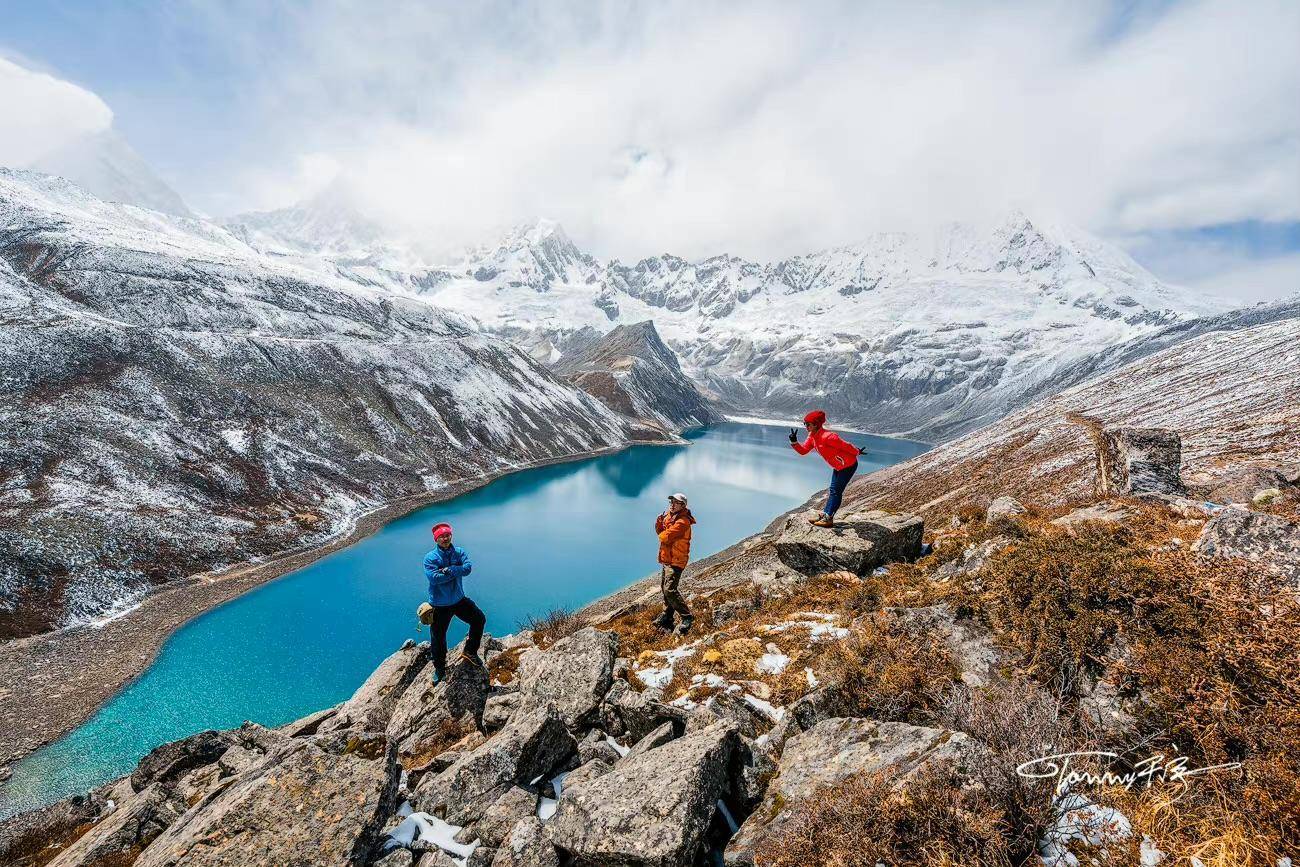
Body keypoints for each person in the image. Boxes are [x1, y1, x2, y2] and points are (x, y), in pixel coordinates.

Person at [423, 522, 486, 684]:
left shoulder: (459, 552)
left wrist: (450, 570)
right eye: (441, 536)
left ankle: (470, 651)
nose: (445, 538)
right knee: (438, 638)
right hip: (439, 604)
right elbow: (434, 579)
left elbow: (467, 568)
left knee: (479, 619)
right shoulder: (430, 558)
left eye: (447, 535)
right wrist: (456, 569)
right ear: (436, 539)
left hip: (458, 600)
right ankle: (439, 667)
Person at [789, 410, 868, 528]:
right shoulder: (812, 437)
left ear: (816, 424)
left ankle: (828, 518)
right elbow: (804, 451)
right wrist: (794, 442)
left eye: (807, 424)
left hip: (848, 466)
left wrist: (857, 451)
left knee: (836, 491)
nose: (805, 426)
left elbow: (846, 445)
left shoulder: (829, 437)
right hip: (838, 466)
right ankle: (826, 514)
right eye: (805, 423)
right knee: (833, 490)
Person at [654, 493, 696, 635]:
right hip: (668, 559)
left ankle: (687, 617)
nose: (672, 504)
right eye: (671, 501)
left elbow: (665, 537)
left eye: (676, 502)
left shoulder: (683, 522)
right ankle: (667, 616)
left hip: (676, 561)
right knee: (664, 589)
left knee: (670, 590)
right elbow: (660, 530)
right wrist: (659, 525)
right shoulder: (670, 517)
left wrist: (662, 530)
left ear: (683, 505)